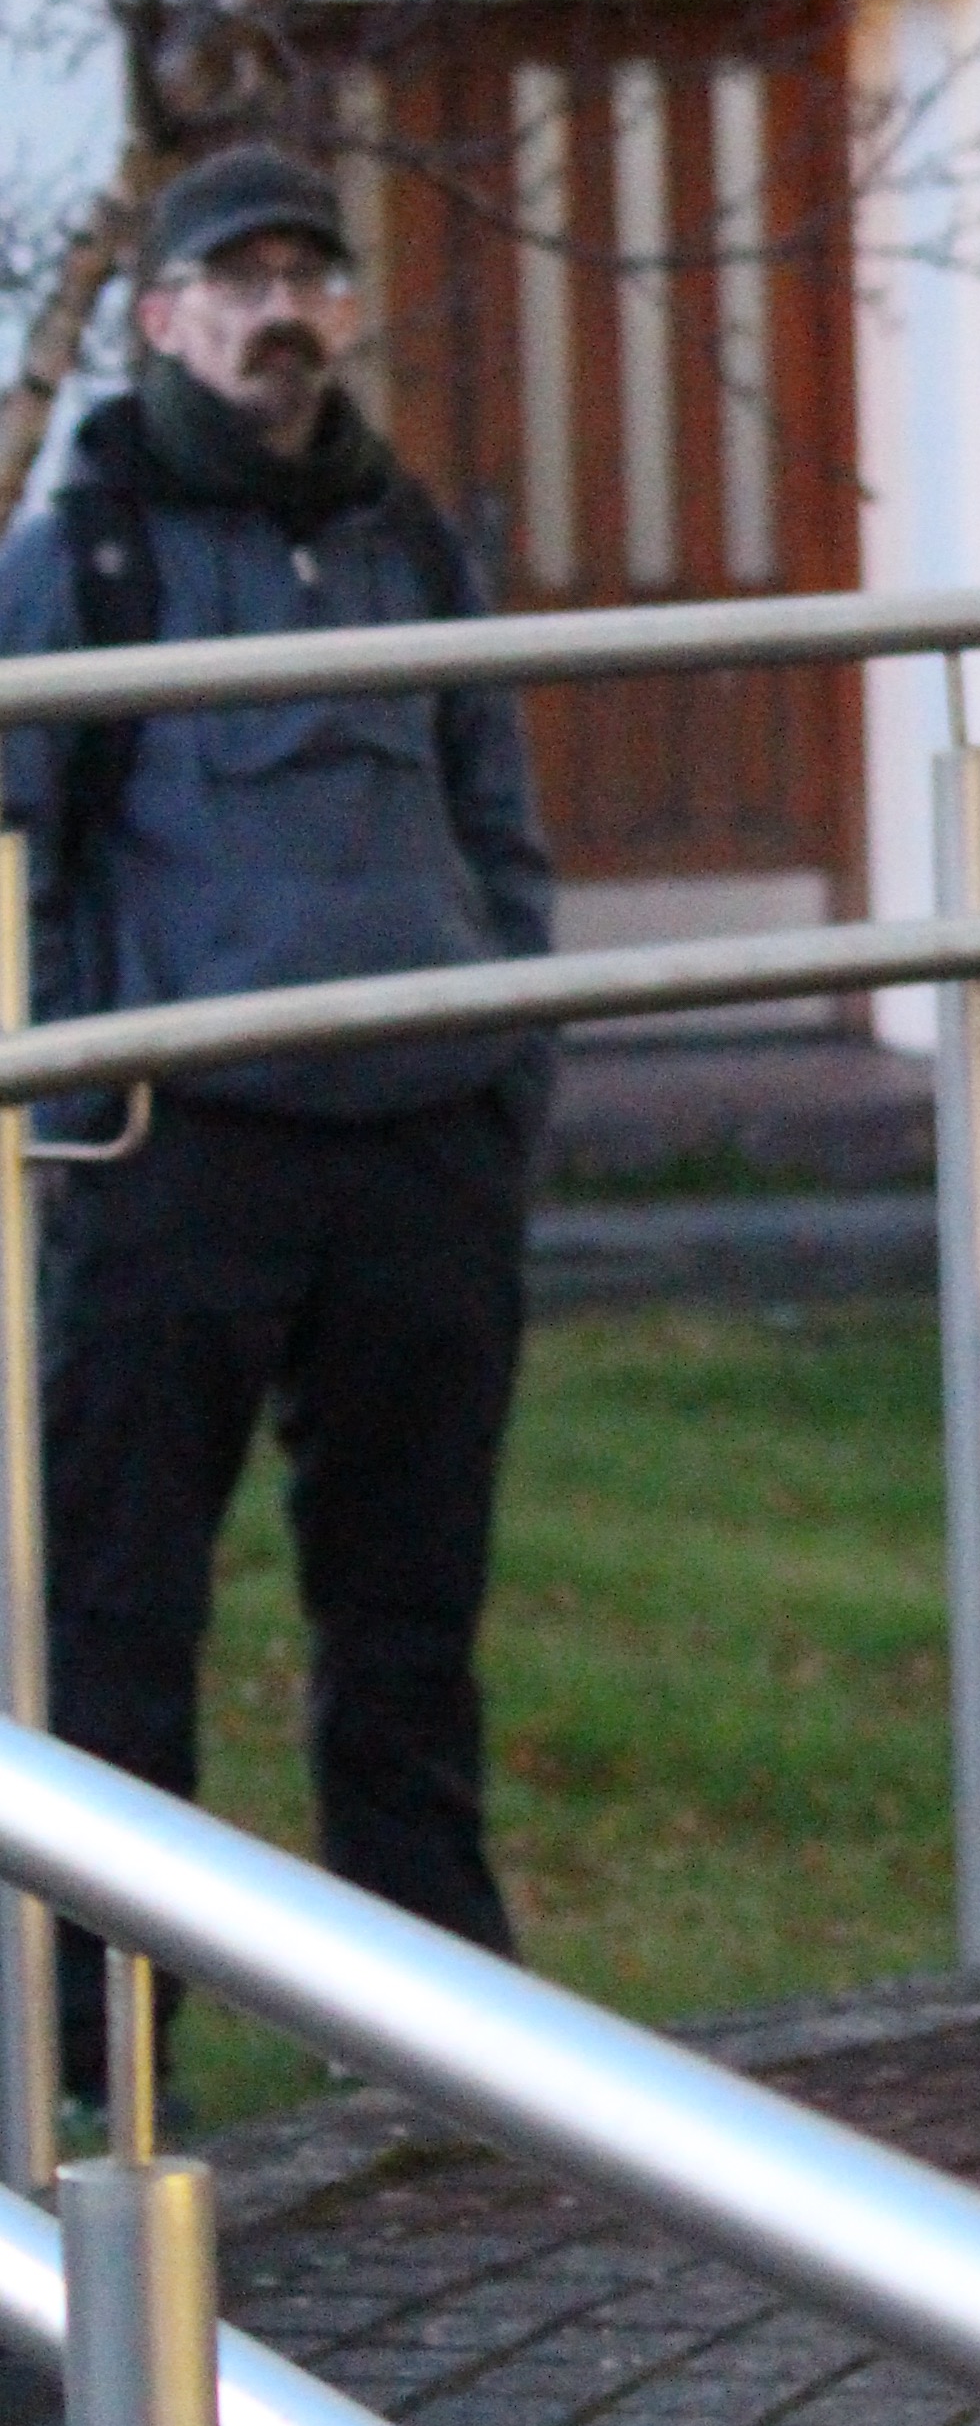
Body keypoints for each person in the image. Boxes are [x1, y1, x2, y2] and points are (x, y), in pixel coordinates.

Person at [0, 142, 553, 2114]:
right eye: (235, 279)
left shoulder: (408, 536)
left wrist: (509, 1067)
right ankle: (92, 2048)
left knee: (410, 1609)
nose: (279, 309)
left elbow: (500, 810)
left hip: (421, 1148)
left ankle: (435, 2031)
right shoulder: (93, 551)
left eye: (307, 272)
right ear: (161, 318)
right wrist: (82, 1089)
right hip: (182, 1152)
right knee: (118, 1611)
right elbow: (24, 850)